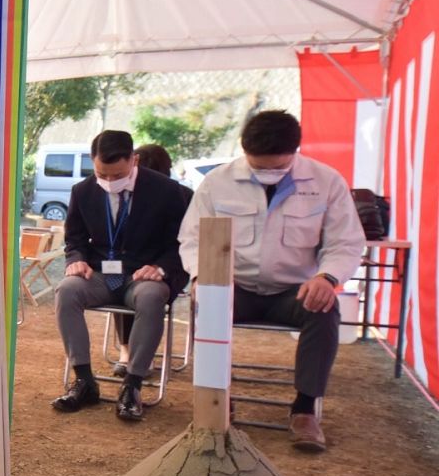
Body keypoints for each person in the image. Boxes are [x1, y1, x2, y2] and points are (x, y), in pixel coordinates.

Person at [179, 110, 365, 451]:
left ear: (296, 150)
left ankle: (305, 410)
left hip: (293, 291)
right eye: (257, 166)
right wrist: (203, 277)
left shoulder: (326, 182)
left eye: (276, 167)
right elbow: (192, 238)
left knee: (325, 308)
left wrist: (327, 277)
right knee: (205, 302)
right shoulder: (217, 182)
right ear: (243, 149)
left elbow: (346, 241)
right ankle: (218, 402)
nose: (267, 173)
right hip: (235, 287)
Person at [52, 130, 190, 421]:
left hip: (142, 276)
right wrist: (75, 261)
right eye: (103, 174)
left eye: (117, 175)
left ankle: (133, 385)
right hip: (101, 274)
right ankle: (84, 380)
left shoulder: (167, 191)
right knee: (67, 290)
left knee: (153, 297)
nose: (110, 182)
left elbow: (182, 242)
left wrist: (161, 267)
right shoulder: (83, 191)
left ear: (134, 160)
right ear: (93, 162)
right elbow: (74, 240)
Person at [112, 143, 195, 375]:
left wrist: (161, 268)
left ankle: (135, 354)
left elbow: (184, 245)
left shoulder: (183, 196)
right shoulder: (123, 196)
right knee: (117, 279)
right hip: (131, 267)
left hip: (169, 269)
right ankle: (127, 350)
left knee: (146, 292)